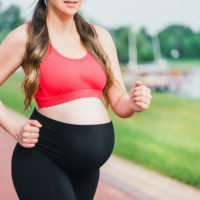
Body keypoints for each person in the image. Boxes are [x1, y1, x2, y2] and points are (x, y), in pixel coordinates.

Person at [0, 0, 152, 199]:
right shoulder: (25, 37)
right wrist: (15, 129)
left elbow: (119, 102)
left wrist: (133, 103)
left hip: (87, 171)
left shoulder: (99, 37)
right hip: (43, 159)